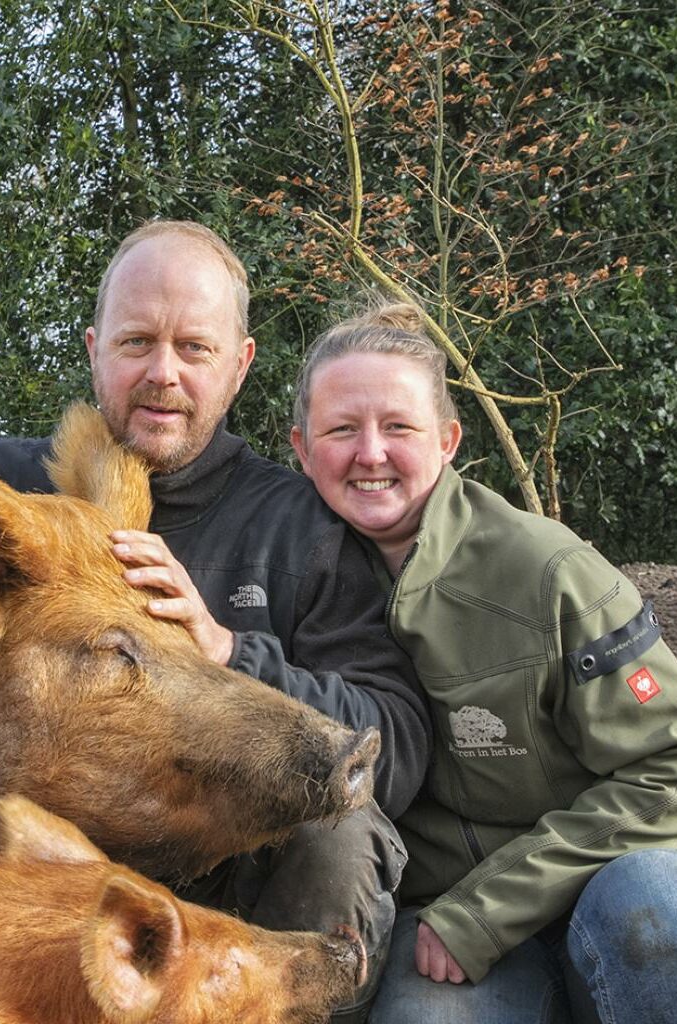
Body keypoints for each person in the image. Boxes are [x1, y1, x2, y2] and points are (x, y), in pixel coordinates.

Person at [0, 220, 430, 1022]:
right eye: (137, 342)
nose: (162, 374)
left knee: (335, 833)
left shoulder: (302, 530)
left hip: (245, 874)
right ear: (96, 348)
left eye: (193, 349)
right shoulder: (15, 485)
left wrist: (228, 647)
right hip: (54, 872)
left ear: (238, 366)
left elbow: (397, 744)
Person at [288, 302, 677, 1023]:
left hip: (598, 879)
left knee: (660, 913)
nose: (369, 453)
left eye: (397, 427)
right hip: (434, 918)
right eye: (341, 429)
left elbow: (667, 767)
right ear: (301, 449)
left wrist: (488, 910)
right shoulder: (288, 589)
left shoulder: (548, 570)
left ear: (447, 440)